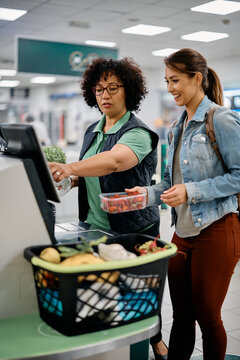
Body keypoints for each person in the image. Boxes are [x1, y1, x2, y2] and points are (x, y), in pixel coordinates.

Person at [48, 57, 167, 358]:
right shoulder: (93, 129)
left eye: (113, 88)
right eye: (99, 89)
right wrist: (72, 179)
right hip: (95, 225)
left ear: (130, 91)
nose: (105, 95)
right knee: (105, 294)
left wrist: (70, 165)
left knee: (138, 293)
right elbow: (90, 172)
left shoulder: (138, 132)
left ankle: (155, 342)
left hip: (133, 228)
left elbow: (114, 161)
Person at [127, 48, 240, 360]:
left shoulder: (222, 120)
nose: (170, 88)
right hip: (183, 233)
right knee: (181, 315)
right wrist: (143, 195)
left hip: (218, 230)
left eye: (175, 80)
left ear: (197, 79)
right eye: (166, 81)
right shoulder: (177, 127)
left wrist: (191, 191)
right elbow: (168, 182)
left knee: (208, 315)